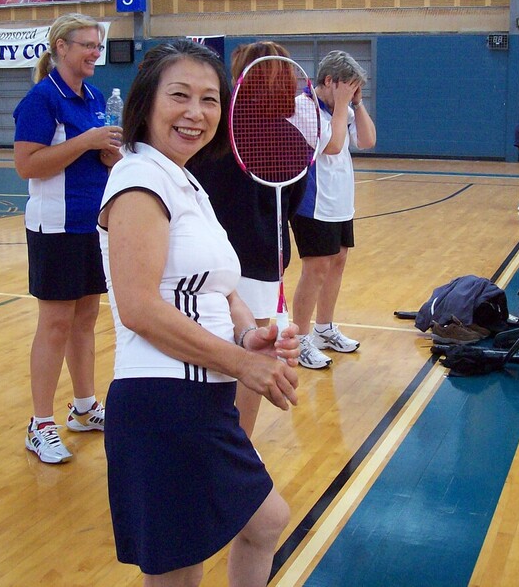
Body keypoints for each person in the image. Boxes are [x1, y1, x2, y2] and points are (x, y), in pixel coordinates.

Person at [97, 40, 300, 585]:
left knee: (263, 522)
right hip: (164, 401)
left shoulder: (184, 179)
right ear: (146, 103)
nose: (196, 112)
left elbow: (218, 284)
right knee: (181, 572)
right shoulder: (140, 182)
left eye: (210, 99)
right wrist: (241, 365)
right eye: (180, 95)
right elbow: (139, 308)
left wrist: (248, 333)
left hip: (198, 398)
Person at [13, 13, 123, 464]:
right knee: (55, 324)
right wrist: (86, 142)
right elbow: (28, 165)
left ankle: (83, 407)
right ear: (61, 46)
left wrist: (108, 151)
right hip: (54, 227)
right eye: (87, 45)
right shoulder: (42, 99)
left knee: (84, 320)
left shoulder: (96, 96)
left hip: (90, 225)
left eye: (97, 46)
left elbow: (98, 156)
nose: (95, 53)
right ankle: (40, 425)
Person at [192, 41, 307, 438]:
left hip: (207, 262)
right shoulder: (294, 141)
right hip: (260, 263)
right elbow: (290, 207)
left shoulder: (207, 134)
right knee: (251, 359)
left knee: (207, 355)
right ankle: (238, 444)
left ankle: (211, 443)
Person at [291, 51, 377, 369]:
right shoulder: (303, 107)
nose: (353, 93)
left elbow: (367, 141)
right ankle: (299, 340)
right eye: (349, 87)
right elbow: (333, 145)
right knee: (315, 271)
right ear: (329, 81)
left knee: (338, 263)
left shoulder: (343, 109)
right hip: (313, 202)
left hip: (340, 201)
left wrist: (356, 103)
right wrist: (342, 106)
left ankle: (324, 329)